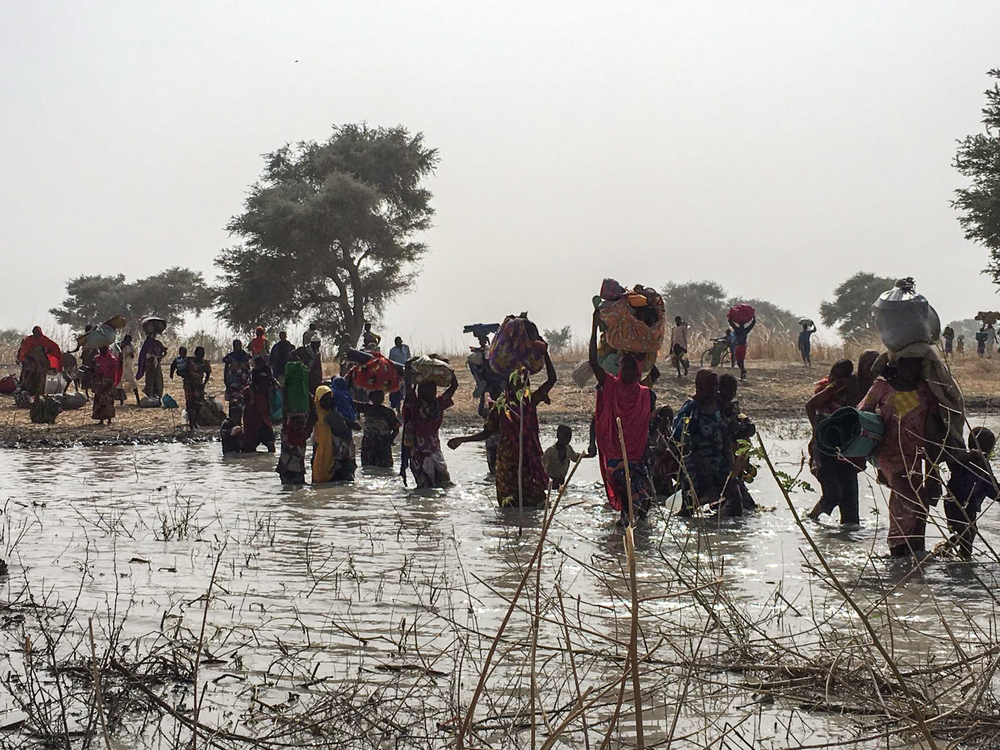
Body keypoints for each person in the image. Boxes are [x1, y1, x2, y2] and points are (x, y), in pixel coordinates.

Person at [859, 356, 946, 557]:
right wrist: (870, 458)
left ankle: (913, 553)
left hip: (916, 456)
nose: (908, 368)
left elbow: (931, 431)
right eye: (904, 362)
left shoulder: (925, 391)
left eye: (913, 363)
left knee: (915, 502)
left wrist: (933, 473)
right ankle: (898, 549)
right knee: (914, 499)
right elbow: (862, 415)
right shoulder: (882, 386)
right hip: (889, 455)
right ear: (896, 364)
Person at [449, 352, 557, 508]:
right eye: (518, 383)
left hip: (527, 460)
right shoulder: (501, 407)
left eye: (524, 383)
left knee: (535, 499)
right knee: (510, 503)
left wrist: (545, 354)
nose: (522, 386)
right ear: (508, 385)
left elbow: (552, 379)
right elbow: (487, 433)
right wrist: (462, 440)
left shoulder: (529, 401)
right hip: (508, 463)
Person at [589, 309, 655, 525]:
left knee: (645, 501)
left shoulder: (645, 395)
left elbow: (648, 425)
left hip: (637, 456)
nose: (627, 373)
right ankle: (625, 531)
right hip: (616, 457)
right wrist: (593, 326)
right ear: (619, 371)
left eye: (630, 370)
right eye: (623, 369)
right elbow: (593, 361)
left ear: (637, 373)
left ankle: (635, 541)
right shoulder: (610, 386)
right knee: (627, 497)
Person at [805, 360, 863, 524]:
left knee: (851, 509)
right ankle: (811, 518)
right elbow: (810, 406)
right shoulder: (830, 390)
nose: (835, 381)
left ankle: (847, 538)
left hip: (847, 450)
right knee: (833, 494)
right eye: (833, 377)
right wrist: (818, 432)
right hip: (825, 450)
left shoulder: (856, 388)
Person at [673, 370, 733, 516]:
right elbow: (678, 439)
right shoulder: (691, 409)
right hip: (696, 468)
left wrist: (730, 463)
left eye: (716, 385)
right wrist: (698, 467)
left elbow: (726, 435)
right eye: (710, 385)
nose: (714, 389)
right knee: (688, 510)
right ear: (699, 387)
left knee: (736, 502)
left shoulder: (720, 408)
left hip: (720, 466)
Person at [944, 427, 999, 559]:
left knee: (970, 535)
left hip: (969, 508)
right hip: (956, 505)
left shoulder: (982, 464)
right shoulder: (964, 461)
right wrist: (971, 455)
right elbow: (950, 459)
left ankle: (948, 551)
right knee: (966, 535)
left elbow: (993, 489)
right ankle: (952, 553)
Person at [403, 362, 459, 489]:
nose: (427, 391)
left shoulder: (435, 403)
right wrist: (450, 370)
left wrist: (448, 368)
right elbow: (454, 386)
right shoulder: (420, 404)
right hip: (421, 453)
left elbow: (454, 386)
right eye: (424, 389)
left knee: (440, 485)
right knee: (432, 487)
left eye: (430, 389)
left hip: (431, 452)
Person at [718, 374, 757, 511]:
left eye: (733, 390)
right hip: (724, 455)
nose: (731, 393)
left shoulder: (732, 405)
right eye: (728, 389)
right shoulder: (716, 406)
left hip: (737, 453)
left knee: (742, 498)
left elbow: (746, 427)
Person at [312, 381, 360, 483]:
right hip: (321, 451)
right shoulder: (314, 414)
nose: (327, 402)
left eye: (330, 399)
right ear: (318, 399)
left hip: (336, 455)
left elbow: (350, 430)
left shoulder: (333, 415)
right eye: (324, 400)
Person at [356, 390, 400, 468]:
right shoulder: (366, 408)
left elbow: (396, 429)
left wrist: (390, 440)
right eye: (376, 396)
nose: (379, 398)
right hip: (369, 445)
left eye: (381, 396)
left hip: (383, 444)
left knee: (385, 467)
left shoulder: (388, 412)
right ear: (371, 397)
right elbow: (351, 403)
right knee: (368, 467)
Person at [241, 358, 277, 452]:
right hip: (252, 426)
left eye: (265, 381)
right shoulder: (248, 392)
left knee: (271, 446)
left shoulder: (270, 392)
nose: (264, 383)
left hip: (264, 424)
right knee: (249, 449)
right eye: (262, 381)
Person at [17, 327, 62, 400]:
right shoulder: (29, 340)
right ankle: (27, 395)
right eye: (35, 332)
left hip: (41, 364)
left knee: (40, 380)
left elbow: (54, 347)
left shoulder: (44, 340)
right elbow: (23, 350)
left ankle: (39, 396)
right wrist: (24, 359)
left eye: (37, 332)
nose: (36, 334)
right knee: (27, 379)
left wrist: (47, 353)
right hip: (30, 363)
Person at [646, 406, 680, 497]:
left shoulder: (670, 432)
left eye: (670, 419)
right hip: (654, 467)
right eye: (665, 419)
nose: (668, 422)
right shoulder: (652, 432)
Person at [542, 425, 582, 491]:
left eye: (569, 437)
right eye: (565, 436)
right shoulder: (550, 451)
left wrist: (587, 455)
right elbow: (543, 468)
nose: (567, 439)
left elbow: (575, 458)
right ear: (558, 436)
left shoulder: (568, 449)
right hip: (551, 484)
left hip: (562, 482)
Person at [182, 346, 211, 430]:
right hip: (189, 385)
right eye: (199, 354)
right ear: (195, 353)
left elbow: (208, 373)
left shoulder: (205, 363)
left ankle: (195, 422)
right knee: (190, 405)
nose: (200, 355)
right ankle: (192, 424)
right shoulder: (190, 361)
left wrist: (204, 383)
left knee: (198, 405)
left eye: (202, 354)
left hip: (199, 386)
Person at [91, 345, 119, 425]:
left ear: (107, 350)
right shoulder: (97, 359)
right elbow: (93, 369)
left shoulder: (112, 360)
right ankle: (101, 419)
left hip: (108, 382)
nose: (102, 351)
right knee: (99, 400)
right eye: (101, 349)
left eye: (104, 349)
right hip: (99, 383)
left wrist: (106, 376)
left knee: (108, 401)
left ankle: (109, 419)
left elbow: (114, 371)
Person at [137, 332, 167, 400]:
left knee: (157, 379)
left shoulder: (157, 343)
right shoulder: (147, 345)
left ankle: (158, 395)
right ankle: (151, 395)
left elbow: (165, 351)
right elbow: (143, 355)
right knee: (150, 380)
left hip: (156, 364)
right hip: (149, 364)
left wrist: (160, 357)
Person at [222, 340, 252, 404]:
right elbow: (226, 369)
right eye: (235, 345)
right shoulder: (230, 357)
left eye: (238, 345)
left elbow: (248, 368)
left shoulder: (245, 356)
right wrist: (225, 379)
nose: (237, 347)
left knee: (244, 399)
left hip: (244, 381)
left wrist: (250, 378)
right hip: (233, 382)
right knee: (233, 400)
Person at [388, 337, 411, 411]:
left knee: (405, 389)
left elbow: (409, 358)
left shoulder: (406, 348)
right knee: (397, 389)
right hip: (397, 371)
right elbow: (391, 361)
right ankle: (398, 407)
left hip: (405, 370)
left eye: (399, 342)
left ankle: (404, 406)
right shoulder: (393, 350)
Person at [118, 334, 141, 405]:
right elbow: (117, 354)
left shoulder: (131, 346)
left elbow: (134, 354)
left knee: (133, 382)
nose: (128, 342)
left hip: (128, 367)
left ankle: (138, 400)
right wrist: (122, 347)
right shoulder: (120, 345)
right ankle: (121, 401)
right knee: (119, 384)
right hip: (121, 366)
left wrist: (131, 354)